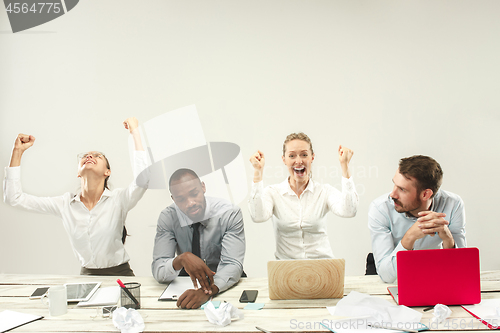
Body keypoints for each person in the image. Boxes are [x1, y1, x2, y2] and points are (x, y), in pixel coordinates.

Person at [3, 117, 149, 276]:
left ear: (107, 172)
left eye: (97, 156)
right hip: (86, 278)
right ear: (78, 173)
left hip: (121, 275)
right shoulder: (65, 204)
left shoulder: (119, 199)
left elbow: (143, 180)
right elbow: (14, 198)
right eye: (85, 155)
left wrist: (135, 132)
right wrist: (17, 151)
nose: (90, 156)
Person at [248, 132, 358, 260]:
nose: (298, 161)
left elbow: (349, 211)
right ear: (284, 159)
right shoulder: (273, 193)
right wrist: (258, 171)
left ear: (312, 157)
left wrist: (345, 166)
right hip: (287, 270)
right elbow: (257, 216)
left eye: (304, 155)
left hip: (322, 267)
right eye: (292, 156)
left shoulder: (324, 191)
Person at [152, 168, 245, 309]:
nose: (190, 203)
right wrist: (181, 259)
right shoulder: (168, 217)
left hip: (224, 283)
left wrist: (207, 292)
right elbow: (159, 269)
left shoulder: (229, 213)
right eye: (181, 199)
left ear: (203, 187)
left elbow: (232, 264)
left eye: (194, 194)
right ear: (173, 199)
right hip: (187, 284)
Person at [368, 155, 466, 283]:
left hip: (432, 271)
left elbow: (462, 270)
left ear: (426, 194)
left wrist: (448, 239)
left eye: (402, 189)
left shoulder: (453, 204)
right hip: (394, 274)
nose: (393, 194)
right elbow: (387, 276)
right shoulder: (380, 209)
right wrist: (409, 238)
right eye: (395, 185)